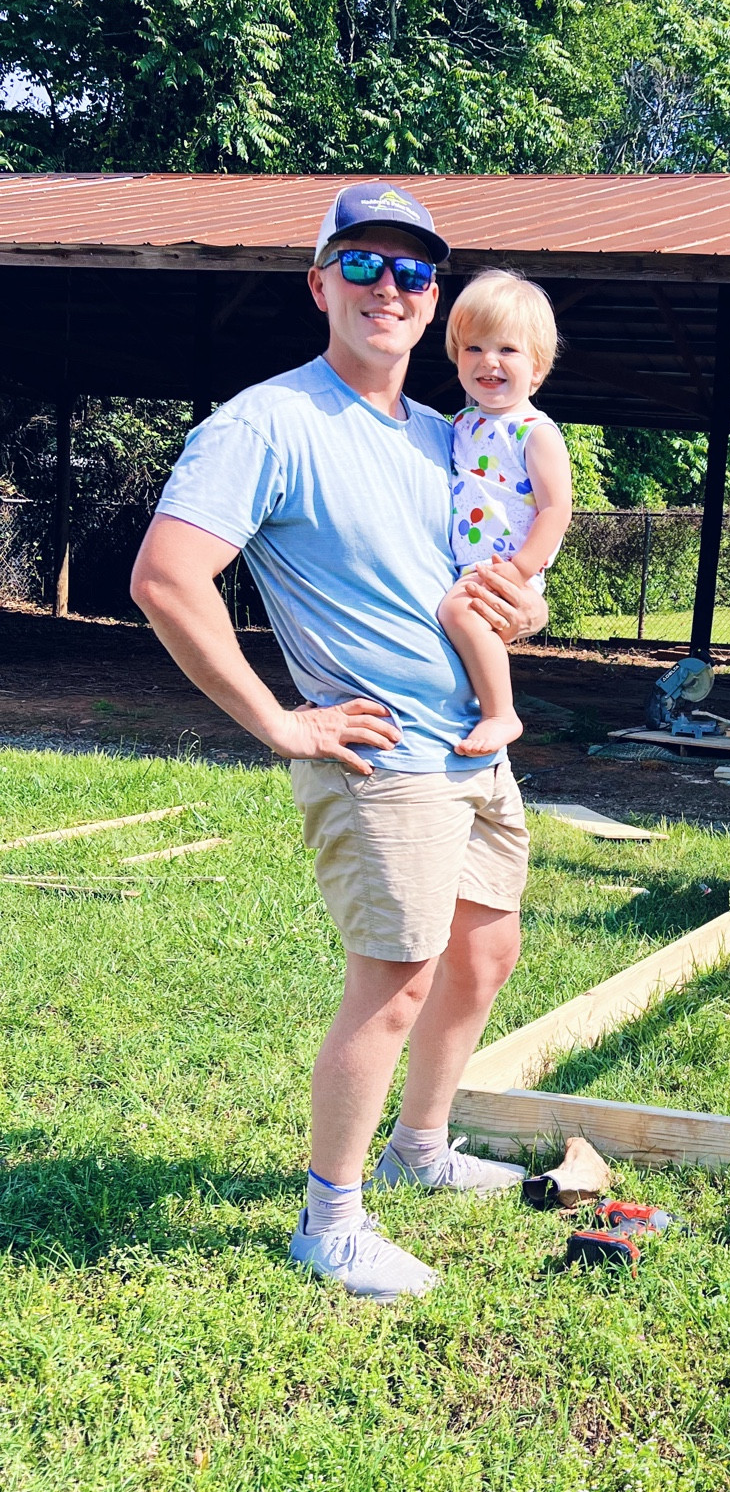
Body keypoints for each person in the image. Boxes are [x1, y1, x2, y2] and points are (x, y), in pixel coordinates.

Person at [131, 182, 549, 1303]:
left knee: (486, 950)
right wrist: (278, 719)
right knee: (397, 980)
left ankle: (423, 1142)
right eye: (361, 265)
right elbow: (167, 578)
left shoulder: (452, 435)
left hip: (474, 749)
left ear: (435, 302)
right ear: (318, 284)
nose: (389, 289)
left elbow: (497, 577)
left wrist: (526, 607)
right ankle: (333, 1218)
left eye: (412, 272)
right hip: (382, 756)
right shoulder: (267, 422)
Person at [438, 270, 574, 755]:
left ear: (537, 368)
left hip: (508, 565)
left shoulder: (535, 432)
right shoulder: (461, 423)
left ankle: (500, 714)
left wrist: (519, 571)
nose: (488, 361)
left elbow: (557, 508)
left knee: (459, 612)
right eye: (473, 348)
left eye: (507, 350)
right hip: (473, 562)